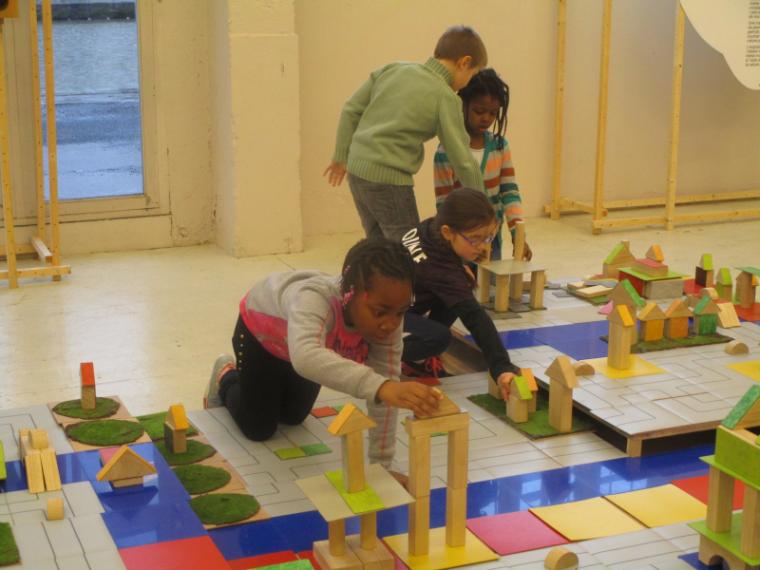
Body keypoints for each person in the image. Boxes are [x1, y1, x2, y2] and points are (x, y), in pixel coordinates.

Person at [203, 238, 441, 469]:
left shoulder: (388, 316)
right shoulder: (315, 300)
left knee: (293, 416)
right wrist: (382, 386)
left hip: (298, 350)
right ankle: (226, 375)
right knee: (259, 428)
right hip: (261, 336)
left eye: (400, 312)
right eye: (380, 312)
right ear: (349, 294)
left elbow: (385, 392)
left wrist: (383, 466)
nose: (390, 324)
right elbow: (307, 357)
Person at [324, 25, 487, 242]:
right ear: (464, 62)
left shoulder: (393, 69)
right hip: (390, 181)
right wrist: (482, 202)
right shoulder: (445, 97)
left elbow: (351, 109)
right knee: (412, 249)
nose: (468, 83)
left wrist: (340, 156)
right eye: (472, 75)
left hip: (357, 171)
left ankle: (374, 276)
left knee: (379, 246)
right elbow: (463, 159)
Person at [401, 188, 521, 398]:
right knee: (439, 338)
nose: (484, 247)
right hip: (386, 315)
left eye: (489, 237)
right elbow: (475, 317)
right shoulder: (440, 271)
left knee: (461, 285)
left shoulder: (431, 228)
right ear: (448, 232)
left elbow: (436, 269)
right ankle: (379, 351)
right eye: (475, 239)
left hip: (397, 298)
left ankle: (411, 355)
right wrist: (502, 367)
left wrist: (458, 268)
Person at [433, 68, 531, 261]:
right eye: (479, 111)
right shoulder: (446, 151)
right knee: (464, 286)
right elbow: (444, 203)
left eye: (493, 113)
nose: (486, 118)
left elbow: (510, 192)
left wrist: (517, 234)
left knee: (491, 286)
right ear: (463, 105)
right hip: (462, 240)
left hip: (491, 236)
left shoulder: (500, 146)